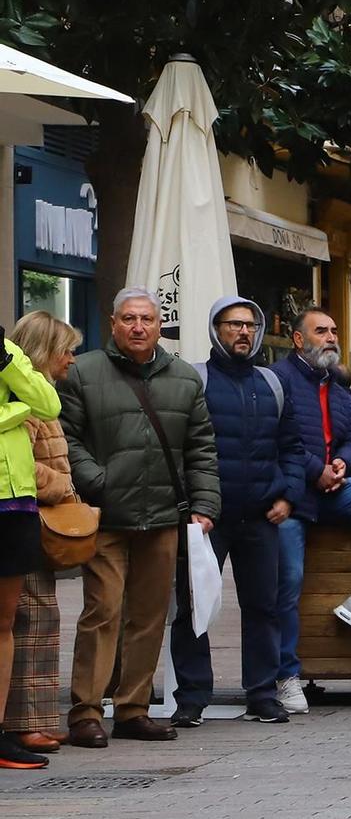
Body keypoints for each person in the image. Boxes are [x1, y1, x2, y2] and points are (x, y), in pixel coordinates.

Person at [60, 289, 222, 747]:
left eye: (147, 319)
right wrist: (98, 480)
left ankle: (133, 708)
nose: (138, 327)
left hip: (163, 517)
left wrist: (206, 505)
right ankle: (86, 712)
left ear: (158, 325)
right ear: (113, 323)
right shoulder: (85, 371)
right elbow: (65, 436)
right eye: (128, 318)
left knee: (150, 617)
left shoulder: (184, 378)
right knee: (103, 612)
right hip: (106, 516)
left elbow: (202, 450)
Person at [168, 297, 303, 728]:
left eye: (249, 325)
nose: (243, 332)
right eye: (233, 325)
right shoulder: (196, 380)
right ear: (215, 329)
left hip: (263, 515)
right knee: (195, 606)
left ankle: (262, 694)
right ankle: (191, 697)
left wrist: (288, 497)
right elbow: (181, 449)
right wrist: (193, 506)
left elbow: (293, 448)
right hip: (207, 517)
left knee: (264, 606)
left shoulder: (272, 384)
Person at [273, 305, 351, 716]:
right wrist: (316, 470)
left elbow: (349, 437)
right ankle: (285, 676)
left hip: (332, 488)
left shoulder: (334, 384)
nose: (331, 337)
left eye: (333, 330)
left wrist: (341, 461)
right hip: (292, 496)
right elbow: (279, 441)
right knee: (288, 583)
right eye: (321, 331)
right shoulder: (279, 380)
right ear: (298, 339)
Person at [5, 312, 82, 758]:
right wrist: (61, 487)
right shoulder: (26, 395)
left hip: (36, 520)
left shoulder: (39, 391)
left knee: (40, 618)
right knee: (32, 620)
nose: (71, 358)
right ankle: (23, 723)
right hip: (26, 516)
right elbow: (22, 462)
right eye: (66, 349)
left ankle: (33, 720)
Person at [0, 317, 62, 768]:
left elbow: (48, 401)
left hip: (15, 502)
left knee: (4, 622)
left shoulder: (10, 355)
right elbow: (33, 407)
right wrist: (19, 409)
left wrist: (7, 365)